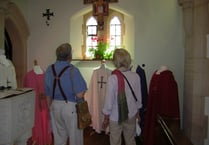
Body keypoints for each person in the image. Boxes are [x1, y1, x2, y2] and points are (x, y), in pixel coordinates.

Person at [44, 43, 87, 145]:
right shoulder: (73, 70)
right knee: (75, 139)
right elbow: (80, 94)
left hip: (54, 106)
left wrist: (50, 108)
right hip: (70, 108)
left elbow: (48, 94)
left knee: (59, 139)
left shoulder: (50, 69)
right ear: (69, 56)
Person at [102, 48, 142, 145]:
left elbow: (109, 101)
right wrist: (138, 112)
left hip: (115, 116)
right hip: (131, 114)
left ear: (115, 61)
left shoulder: (113, 78)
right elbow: (138, 97)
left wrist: (106, 117)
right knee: (131, 140)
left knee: (115, 141)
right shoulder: (136, 76)